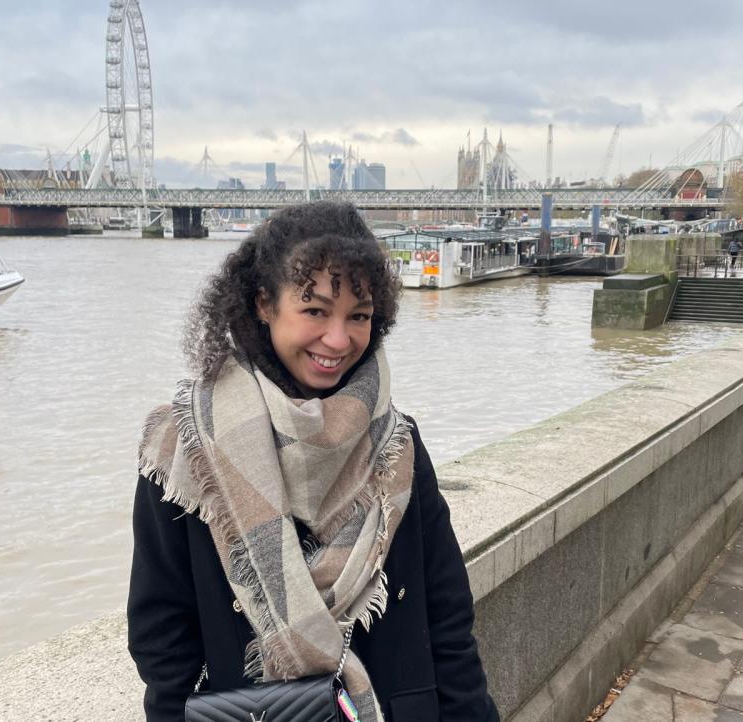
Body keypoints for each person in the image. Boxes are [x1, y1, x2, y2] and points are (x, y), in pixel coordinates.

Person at [128, 201, 499, 722]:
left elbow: (447, 617)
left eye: (359, 316)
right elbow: (161, 637)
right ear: (263, 303)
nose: (338, 339)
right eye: (316, 310)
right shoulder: (188, 449)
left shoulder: (397, 443)